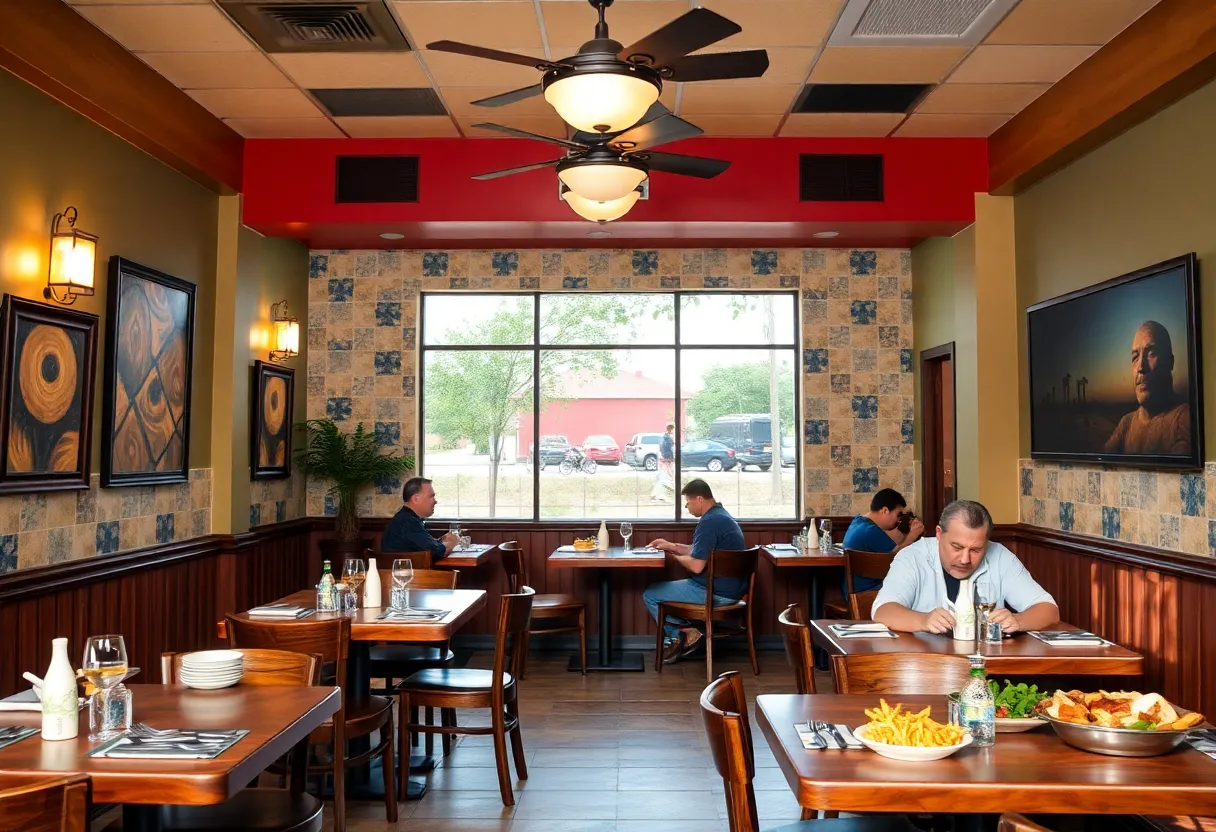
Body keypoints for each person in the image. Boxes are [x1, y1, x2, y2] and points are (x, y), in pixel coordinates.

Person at [872, 500, 1059, 635]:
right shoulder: (912, 556)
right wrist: (923, 620)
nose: (964, 559)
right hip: (924, 667)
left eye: (976, 549)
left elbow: (1048, 610)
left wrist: (1017, 621)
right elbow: (883, 611)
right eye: (957, 547)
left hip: (989, 670)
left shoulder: (1000, 556)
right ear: (939, 534)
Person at [643, 479, 747, 663]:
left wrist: (671, 557)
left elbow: (697, 565)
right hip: (733, 590)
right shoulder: (720, 516)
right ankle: (687, 633)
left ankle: (682, 635)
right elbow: (698, 550)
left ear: (699, 499)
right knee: (657, 590)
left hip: (715, 593)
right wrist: (671, 546)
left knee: (651, 594)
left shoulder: (709, 522)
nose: (686, 506)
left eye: (688, 501)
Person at [1103, 320, 1191, 455]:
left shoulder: (1184, 418)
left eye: (1151, 353)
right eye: (1135, 357)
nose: (1140, 367)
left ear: (1170, 361)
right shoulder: (1126, 423)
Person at [841, 488, 924, 595]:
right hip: (867, 592)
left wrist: (906, 531)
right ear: (885, 511)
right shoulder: (870, 531)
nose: (899, 520)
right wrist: (912, 535)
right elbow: (897, 556)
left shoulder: (858, 522)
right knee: (917, 585)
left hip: (852, 590)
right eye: (898, 514)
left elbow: (894, 542)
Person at [380, 477, 458, 561]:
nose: (435, 501)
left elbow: (426, 547)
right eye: (431, 496)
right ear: (415, 499)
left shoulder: (406, 518)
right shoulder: (408, 522)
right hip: (407, 573)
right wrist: (453, 541)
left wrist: (441, 540)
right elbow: (435, 552)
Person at [650, 423, 676, 502]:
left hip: (665, 461)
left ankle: (656, 494)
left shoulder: (664, 438)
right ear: (671, 429)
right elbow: (667, 450)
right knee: (664, 478)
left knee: (663, 478)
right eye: (673, 430)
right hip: (666, 462)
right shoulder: (667, 439)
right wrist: (670, 459)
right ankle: (657, 495)